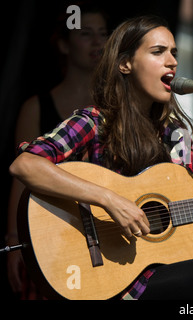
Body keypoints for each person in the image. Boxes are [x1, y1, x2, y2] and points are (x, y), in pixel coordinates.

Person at [9, 15, 193, 300]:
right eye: (158, 52)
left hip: (154, 278)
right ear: (125, 64)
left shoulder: (176, 136)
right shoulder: (95, 122)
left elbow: (186, 225)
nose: (172, 62)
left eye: (174, 53)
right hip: (109, 279)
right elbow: (25, 164)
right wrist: (109, 200)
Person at [5, 3, 109, 298]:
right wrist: (15, 239)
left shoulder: (116, 108)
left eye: (103, 34)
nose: (98, 42)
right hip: (51, 230)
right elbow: (21, 175)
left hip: (107, 234)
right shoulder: (36, 107)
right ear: (63, 44)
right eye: (86, 33)